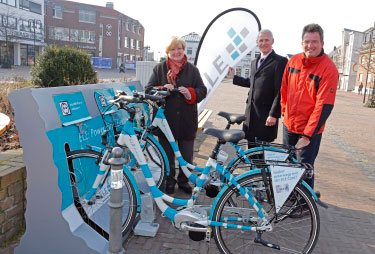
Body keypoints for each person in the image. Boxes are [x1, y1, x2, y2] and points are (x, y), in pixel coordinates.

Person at [145, 36, 207, 194]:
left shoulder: (193, 70)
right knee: (167, 155)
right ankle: (169, 180)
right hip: (166, 120)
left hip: (187, 120)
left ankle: (184, 181)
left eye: (179, 48)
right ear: (168, 52)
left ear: (183, 49)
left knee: (186, 156)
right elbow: (148, 90)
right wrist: (161, 88)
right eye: (173, 49)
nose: (177, 52)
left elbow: (202, 91)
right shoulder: (159, 68)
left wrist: (190, 93)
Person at [280, 23, 339, 189]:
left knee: (304, 169)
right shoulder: (293, 61)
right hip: (289, 126)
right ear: (302, 43)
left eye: (315, 41)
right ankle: (289, 199)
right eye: (307, 41)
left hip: (309, 131)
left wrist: (306, 136)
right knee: (286, 166)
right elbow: (284, 89)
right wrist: (285, 111)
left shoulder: (329, 69)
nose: (310, 45)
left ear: (322, 44)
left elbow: (324, 106)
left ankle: (304, 206)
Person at [231, 29, 287, 148]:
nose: (263, 43)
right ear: (257, 42)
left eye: (266, 40)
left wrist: (274, 114)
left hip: (265, 116)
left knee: (261, 154)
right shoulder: (253, 62)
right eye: (261, 40)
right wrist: (234, 77)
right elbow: (252, 82)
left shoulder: (280, 61)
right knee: (250, 151)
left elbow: (280, 90)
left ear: (272, 41)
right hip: (250, 115)